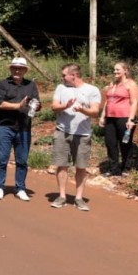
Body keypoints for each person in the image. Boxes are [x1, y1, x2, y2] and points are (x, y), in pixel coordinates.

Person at [50, 64, 101, 211]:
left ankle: (79, 198)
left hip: (83, 134)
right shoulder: (61, 88)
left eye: (64, 75)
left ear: (73, 75)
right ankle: (62, 196)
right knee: (62, 165)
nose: (62, 78)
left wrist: (83, 109)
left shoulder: (92, 90)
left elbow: (95, 112)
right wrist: (65, 106)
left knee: (81, 167)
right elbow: (54, 107)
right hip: (62, 132)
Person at [0, 57, 40, 201]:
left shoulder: (31, 85)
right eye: (14, 68)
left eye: (20, 68)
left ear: (25, 70)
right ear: (11, 69)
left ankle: (20, 188)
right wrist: (18, 106)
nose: (17, 71)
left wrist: (36, 105)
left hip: (24, 128)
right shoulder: (3, 84)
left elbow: (37, 102)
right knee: (2, 159)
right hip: (5, 126)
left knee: (22, 160)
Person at [98, 62, 138, 176]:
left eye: (117, 70)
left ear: (125, 70)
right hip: (110, 117)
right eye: (114, 69)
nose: (115, 72)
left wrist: (131, 120)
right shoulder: (112, 84)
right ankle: (113, 169)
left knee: (125, 143)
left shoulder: (131, 84)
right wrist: (103, 116)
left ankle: (126, 167)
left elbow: (134, 102)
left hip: (124, 117)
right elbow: (107, 101)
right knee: (110, 143)